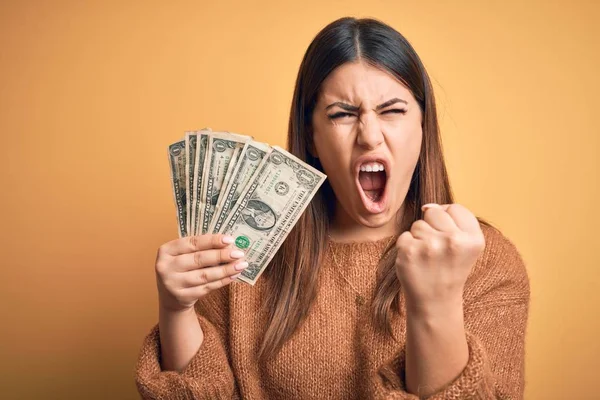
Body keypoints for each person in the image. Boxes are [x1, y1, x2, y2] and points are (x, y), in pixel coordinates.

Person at [135, 17, 530, 399]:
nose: (370, 136)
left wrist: (436, 301)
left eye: (392, 111)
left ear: (423, 126)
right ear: (312, 136)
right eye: (343, 114)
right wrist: (176, 309)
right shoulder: (241, 252)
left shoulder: (487, 263)